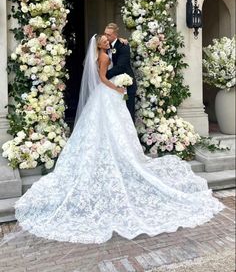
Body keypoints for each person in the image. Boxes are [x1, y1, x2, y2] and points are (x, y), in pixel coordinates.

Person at [14, 34, 223, 244]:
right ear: (99, 45)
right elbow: (104, 79)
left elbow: (109, 64)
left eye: (107, 40)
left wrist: (121, 43)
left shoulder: (103, 54)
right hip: (108, 92)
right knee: (112, 126)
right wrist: (118, 88)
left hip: (104, 95)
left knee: (110, 127)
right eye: (104, 41)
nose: (107, 42)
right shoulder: (104, 57)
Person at [104, 23, 137, 121]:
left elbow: (120, 67)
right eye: (105, 34)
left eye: (108, 35)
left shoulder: (123, 46)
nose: (106, 36)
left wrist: (104, 76)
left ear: (115, 35)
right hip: (112, 86)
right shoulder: (105, 46)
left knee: (127, 113)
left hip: (126, 85)